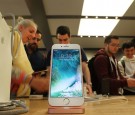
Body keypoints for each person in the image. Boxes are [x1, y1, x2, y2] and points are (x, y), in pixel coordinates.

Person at [46, 25, 92, 94]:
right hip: (58, 86)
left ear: (70, 37)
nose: (62, 43)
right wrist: (48, 86)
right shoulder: (53, 51)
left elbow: (85, 68)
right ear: (57, 38)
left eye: (65, 40)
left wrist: (89, 84)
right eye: (60, 40)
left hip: (74, 86)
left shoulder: (78, 49)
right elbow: (49, 70)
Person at [11, 17, 49, 97]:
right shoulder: (11, 38)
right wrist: (32, 81)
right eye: (31, 31)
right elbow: (5, 68)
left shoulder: (19, 44)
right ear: (21, 28)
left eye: (34, 34)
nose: (32, 36)